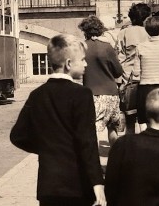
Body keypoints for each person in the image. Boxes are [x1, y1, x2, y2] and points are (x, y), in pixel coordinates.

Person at [10, 34, 106, 206]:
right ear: (69, 64)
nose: (86, 64)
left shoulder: (37, 95)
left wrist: (46, 148)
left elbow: (17, 135)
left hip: (49, 185)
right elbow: (87, 141)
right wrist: (97, 182)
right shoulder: (82, 94)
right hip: (77, 184)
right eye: (82, 60)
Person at [79, 15, 125, 144]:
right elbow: (118, 72)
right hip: (111, 93)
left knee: (92, 130)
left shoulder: (82, 47)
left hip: (91, 94)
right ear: (100, 30)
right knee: (112, 128)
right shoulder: (107, 47)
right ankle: (115, 158)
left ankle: (93, 159)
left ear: (84, 30)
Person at [112, 2, 152, 134]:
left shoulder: (123, 33)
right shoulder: (151, 32)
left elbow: (120, 58)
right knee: (147, 118)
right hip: (148, 78)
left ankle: (131, 145)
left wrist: (121, 82)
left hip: (129, 79)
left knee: (130, 118)